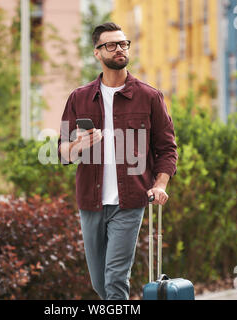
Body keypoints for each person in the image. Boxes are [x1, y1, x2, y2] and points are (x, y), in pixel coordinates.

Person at [57, 22, 178, 300]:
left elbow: (167, 148)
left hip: (130, 201)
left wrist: (160, 184)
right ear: (97, 53)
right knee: (100, 284)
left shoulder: (149, 97)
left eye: (123, 43)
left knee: (115, 279)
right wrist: (78, 145)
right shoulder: (79, 98)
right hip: (90, 202)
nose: (120, 49)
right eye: (111, 45)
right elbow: (62, 151)